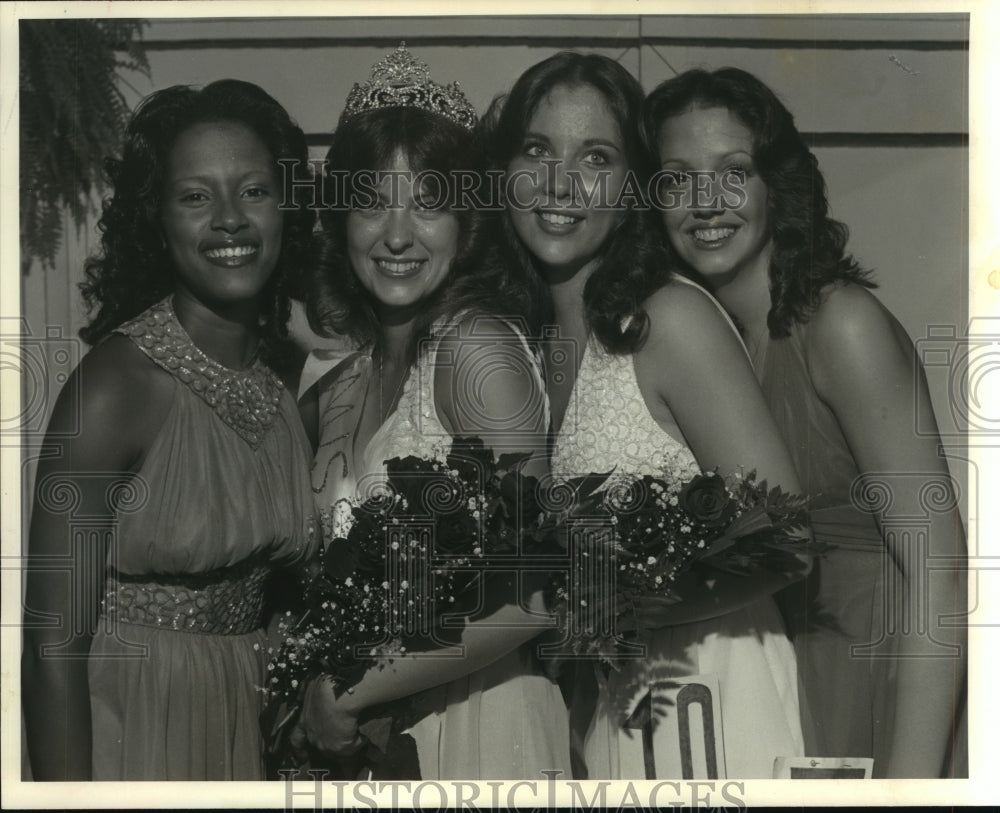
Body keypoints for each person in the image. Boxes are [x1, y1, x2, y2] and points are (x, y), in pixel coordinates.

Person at [483, 51, 810, 780]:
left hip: (714, 692)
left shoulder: (670, 318)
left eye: (595, 156)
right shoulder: (520, 340)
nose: (560, 183)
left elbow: (789, 538)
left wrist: (617, 607)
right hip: (602, 706)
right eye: (537, 151)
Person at [644, 66, 967, 778]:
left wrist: (908, 786)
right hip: (774, 692)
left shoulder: (839, 325)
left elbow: (940, 567)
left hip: (880, 683)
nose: (705, 202)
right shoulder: (704, 347)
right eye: (676, 179)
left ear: (775, 187)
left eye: (733, 172)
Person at [21, 79, 318, 781]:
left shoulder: (286, 387)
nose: (229, 220)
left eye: (253, 191)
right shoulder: (113, 387)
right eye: (195, 196)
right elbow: (49, 649)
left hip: (245, 734)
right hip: (132, 734)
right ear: (157, 219)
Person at [294, 45, 571, 780]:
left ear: (469, 217)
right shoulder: (345, 375)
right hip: (378, 742)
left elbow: (537, 590)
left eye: (428, 201)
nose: (396, 232)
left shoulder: (475, 348)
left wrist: (350, 692)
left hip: (483, 722)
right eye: (371, 200)